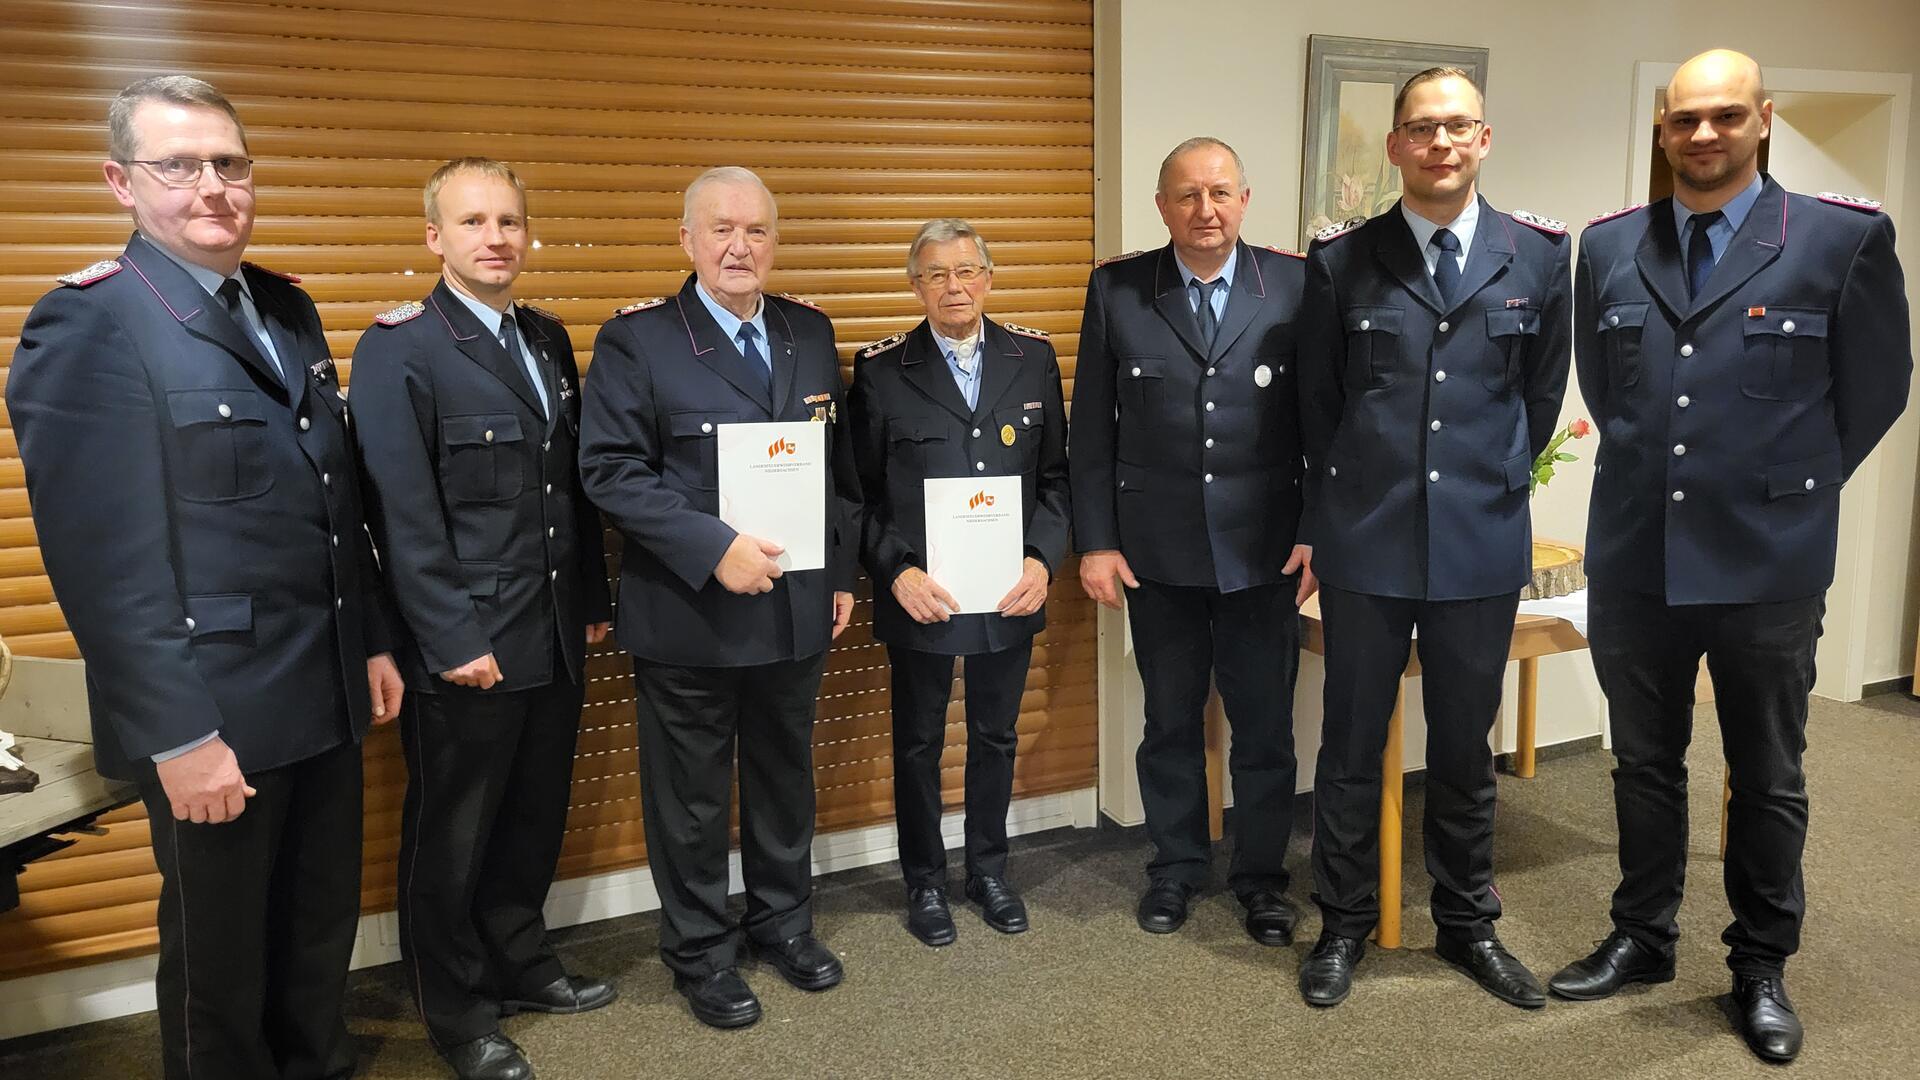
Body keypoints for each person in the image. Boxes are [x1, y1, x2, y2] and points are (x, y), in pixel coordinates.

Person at [7, 75, 403, 1079]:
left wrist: (375, 643)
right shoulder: (90, 324)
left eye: (229, 162)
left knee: (317, 934)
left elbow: (331, 505)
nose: (212, 186)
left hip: (322, 687)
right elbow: (105, 567)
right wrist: (178, 737)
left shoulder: (284, 308)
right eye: (178, 165)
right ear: (120, 182)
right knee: (220, 967)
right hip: (212, 709)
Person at [1548, 49, 1910, 1064]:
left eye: (1724, 117)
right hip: (1637, 554)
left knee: (1767, 772)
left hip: (1767, 560)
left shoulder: (1839, 238)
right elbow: (1609, 389)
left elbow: (1878, 387)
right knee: (1644, 766)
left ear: (1763, 121)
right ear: (1663, 128)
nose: (1702, 135)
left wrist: (1781, 484)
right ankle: (1643, 935)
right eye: (1685, 119)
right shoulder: (1611, 247)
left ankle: (1759, 965)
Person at [1295, 67, 1571, 1009]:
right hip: (1368, 545)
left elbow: (1538, 402)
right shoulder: (1339, 261)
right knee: (1349, 743)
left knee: (1464, 750)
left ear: (1483, 138)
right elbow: (1320, 405)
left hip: (1480, 545)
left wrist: (1481, 486)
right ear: (1395, 146)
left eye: (1456, 128)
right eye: (1421, 129)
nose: (1440, 144)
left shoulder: (1538, 255)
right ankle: (1342, 924)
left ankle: (1466, 925)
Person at [578, 166, 862, 1029]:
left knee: (785, 780)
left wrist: (840, 576)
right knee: (692, 799)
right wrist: (717, 548)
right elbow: (609, 471)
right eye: (721, 229)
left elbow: (838, 473)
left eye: (758, 231)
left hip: (795, 608)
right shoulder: (641, 341)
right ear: (688, 240)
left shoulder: (809, 332)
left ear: (776, 241)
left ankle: (782, 923)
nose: (740, 247)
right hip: (690, 613)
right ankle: (700, 952)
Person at [349, 158, 614, 1080]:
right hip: (467, 642)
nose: (495, 237)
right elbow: (400, 512)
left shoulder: (544, 336)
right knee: (451, 835)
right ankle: (455, 1009)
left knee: (534, 816)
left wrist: (589, 605)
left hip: (549, 629)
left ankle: (519, 958)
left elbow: (566, 490)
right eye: (472, 223)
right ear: (435, 238)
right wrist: (452, 637)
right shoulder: (401, 347)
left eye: (508, 221)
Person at [1068, 137, 1310, 944]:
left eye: (1219, 194)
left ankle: (1262, 879)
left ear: (1245, 198)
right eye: (1186, 196)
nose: (1204, 211)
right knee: (1169, 721)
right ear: (1162, 205)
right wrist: (1096, 542)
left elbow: (1325, 424)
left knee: (1265, 727)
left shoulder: (1298, 285)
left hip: (1264, 551)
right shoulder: (1120, 289)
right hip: (1158, 553)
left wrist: (1316, 533)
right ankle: (1174, 869)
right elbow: (1090, 432)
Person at [846, 218, 1071, 947]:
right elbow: (860, 496)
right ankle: (925, 882)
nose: (954, 287)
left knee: (995, 734)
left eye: (967, 271)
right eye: (936, 274)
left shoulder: (1032, 360)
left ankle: (989, 871)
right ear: (915, 286)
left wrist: (1043, 558)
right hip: (925, 594)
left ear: (989, 279)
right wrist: (895, 571)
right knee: (917, 740)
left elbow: (1058, 481)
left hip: (1009, 588)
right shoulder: (881, 371)